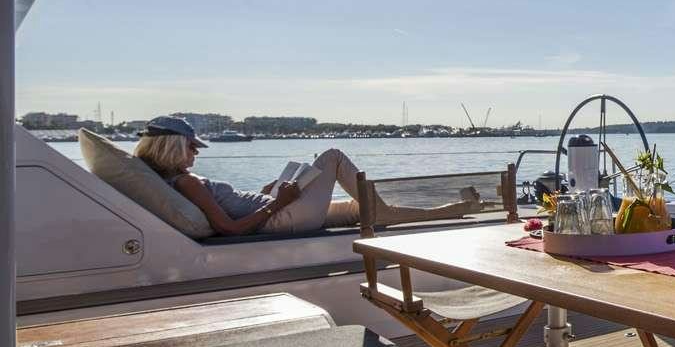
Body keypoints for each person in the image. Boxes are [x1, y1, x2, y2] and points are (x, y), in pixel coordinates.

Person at [133, 116, 480, 236]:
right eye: (192, 147)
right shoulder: (187, 183)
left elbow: (230, 212)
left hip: (277, 209)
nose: (195, 153)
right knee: (332, 156)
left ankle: (453, 210)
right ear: (174, 148)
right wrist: (277, 203)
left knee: (360, 210)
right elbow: (229, 228)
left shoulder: (174, 181)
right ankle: (387, 210)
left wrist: (266, 193)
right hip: (280, 217)